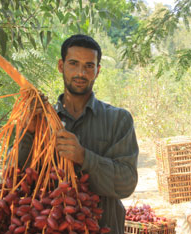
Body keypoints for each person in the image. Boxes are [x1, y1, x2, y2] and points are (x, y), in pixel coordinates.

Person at [18, 34, 139, 233]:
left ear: (98, 70)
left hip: (103, 227)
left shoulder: (119, 120)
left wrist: (84, 157)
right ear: (61, 66)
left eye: (89, 66)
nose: (81, 73)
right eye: (73, 63)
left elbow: (126, 184)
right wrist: (28, 132)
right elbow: (14, 177)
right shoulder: (39, 120)